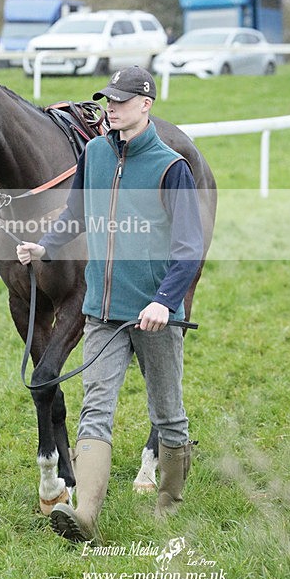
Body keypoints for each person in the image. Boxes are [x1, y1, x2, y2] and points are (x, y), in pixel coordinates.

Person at [16, 66, 204, 543]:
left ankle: (169, 502)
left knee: (168, 414)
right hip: (101, 308)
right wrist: (46, 247)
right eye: (108, 101)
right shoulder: (95, 155)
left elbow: (188, 247)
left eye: (121, 101)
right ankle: (85, 515)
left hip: (155, 316)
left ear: (146, 105)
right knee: (95, 410)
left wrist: (165, 302)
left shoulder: (170, 168)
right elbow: (76, 213)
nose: (111, 108)